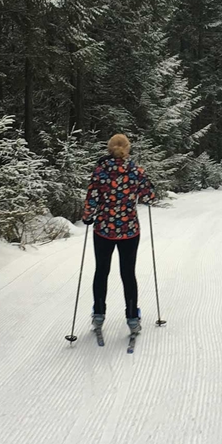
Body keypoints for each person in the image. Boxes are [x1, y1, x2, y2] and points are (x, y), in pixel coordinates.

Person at [82, 133, 157, 335]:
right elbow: (149, 197)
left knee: (101, 271)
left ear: (109, 149)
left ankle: (98, 315)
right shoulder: (135, 171)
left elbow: (91, 198)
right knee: (128, 273)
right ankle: (132, 318)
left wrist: (88, 216)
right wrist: (149, 188)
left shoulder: (100, 171)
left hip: (103, 230)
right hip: (129, 231)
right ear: (127, 148)